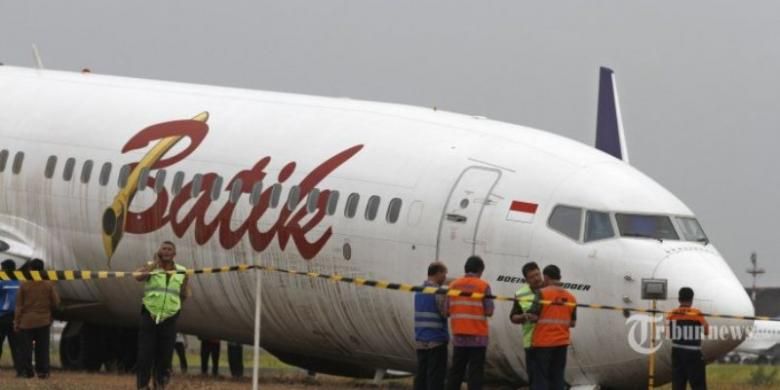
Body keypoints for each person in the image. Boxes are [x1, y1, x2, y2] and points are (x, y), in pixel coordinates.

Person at [135, 241, 190, 390]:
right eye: (164, 249)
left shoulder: (181, 271)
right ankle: (142, 386)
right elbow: (138, 276)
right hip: (150, 316)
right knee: (145, 355)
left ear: (174, 254)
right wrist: (155, 263)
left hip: (169, 318)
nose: (166, 252)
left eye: (169, 249)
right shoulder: (151, 266)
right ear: (160, 251)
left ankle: (160, 385)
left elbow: (184, 293)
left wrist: (176, 308)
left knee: (165, 356)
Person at [446, 256, 494, 390]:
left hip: (459, 336)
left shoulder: (453, 285)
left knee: (456, 371)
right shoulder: (483, 286)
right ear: (479, 270)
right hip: (478, 337)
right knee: (475, 372)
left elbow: (447, 310)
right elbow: (489, 310)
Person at [528, 265, 576, 390]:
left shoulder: (542, 293)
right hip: (561, 344)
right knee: (558, 378)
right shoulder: (571, 297)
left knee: (541, 378)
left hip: (543, 343)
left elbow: (533, 316)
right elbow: (573, 323)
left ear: (547, 277)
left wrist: (525, 315)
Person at [13, 258, 60, 379]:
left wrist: (16, 322)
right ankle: (43, 372)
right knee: (43, 349)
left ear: (31, 269)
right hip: (43, 321)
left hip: (26, 322)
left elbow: (19, 306)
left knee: (26, 349)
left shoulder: (24, 285)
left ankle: (26, 371)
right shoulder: (48, 285)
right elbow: (56, 302)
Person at [414, 261, 448, 390]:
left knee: (421, 374)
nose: (445, 277)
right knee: (435, 376)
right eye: (444, 274)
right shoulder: (438, 292)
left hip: (421, 338)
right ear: (438, 272)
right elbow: (445, 313)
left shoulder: (419, 291)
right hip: (436, 340)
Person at [667, 287, 709, 390]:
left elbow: (669, 334)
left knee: (678, 384)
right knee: (698, 384)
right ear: (691, 299)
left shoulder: (672, 313)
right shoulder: (696, 313)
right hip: (693, 354)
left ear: (679, 299)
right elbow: (706, 330)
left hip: (677, 353)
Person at [509, 261, 544, 387]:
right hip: (531, 342)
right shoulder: (521, 294)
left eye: (537, 274)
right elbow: (513, 317)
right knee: (534, 378)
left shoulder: (549, 290)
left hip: (549, 342)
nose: (536, 278)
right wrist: (523, 317)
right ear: (526, 279)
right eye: (532, 277)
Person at [0, 259, 22, 376]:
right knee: (16, 346)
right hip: (15, 318)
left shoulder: (2, 282)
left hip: (2, 317)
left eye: (2, 268)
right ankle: (20, 371)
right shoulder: (19, 282)